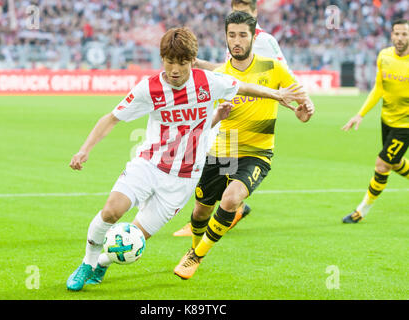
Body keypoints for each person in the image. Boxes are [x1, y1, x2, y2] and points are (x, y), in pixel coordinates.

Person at [66, 26, 307, 291]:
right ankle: (86, 264)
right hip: (149, 164)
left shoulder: (208, 82)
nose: (175, 69)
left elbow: (242, 87)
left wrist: (277, 94)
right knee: (112, 211)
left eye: (182, 62)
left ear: (192, 61)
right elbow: (112, 118)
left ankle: (101, 263)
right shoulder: (150, 88)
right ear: (162, 60)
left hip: (182, 181)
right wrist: (84, 149)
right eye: (170, 62)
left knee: (134, 238)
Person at [173, 12, 315, 280]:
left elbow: (302, 98)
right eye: (231, 35)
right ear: (225, 37)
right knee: (201, 209)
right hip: (222, 149)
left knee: (231, 199)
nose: (236, 41)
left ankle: (197, 255)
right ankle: (193, 249)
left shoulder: (271, 67)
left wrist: (306, 110)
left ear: (252, 37)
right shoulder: (219, 74)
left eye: (242, 35)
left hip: (256, 151)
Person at [173, 0, 292, 236]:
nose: (238, 17)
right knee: (218, 184)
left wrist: (298, 99)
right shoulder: (235, 37)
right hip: (232, 123)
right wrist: (201, 66)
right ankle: (232, 210)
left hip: (255, 117)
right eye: (235, 11)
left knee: (231, 188)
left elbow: (281, 72)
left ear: (255, 14)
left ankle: (228, 213)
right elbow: (228, 71)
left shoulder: (264, 41)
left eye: (244, 12)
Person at [342, 19, 409, 223]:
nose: (400, 38)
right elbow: (379, 88)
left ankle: (362, 210)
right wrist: (360, 114)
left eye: (404, 34)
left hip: (405, 125)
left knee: (382, 165)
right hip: (386, 120)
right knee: (394, 162)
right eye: (396, 33)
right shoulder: (384, 56)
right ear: (391, 35)